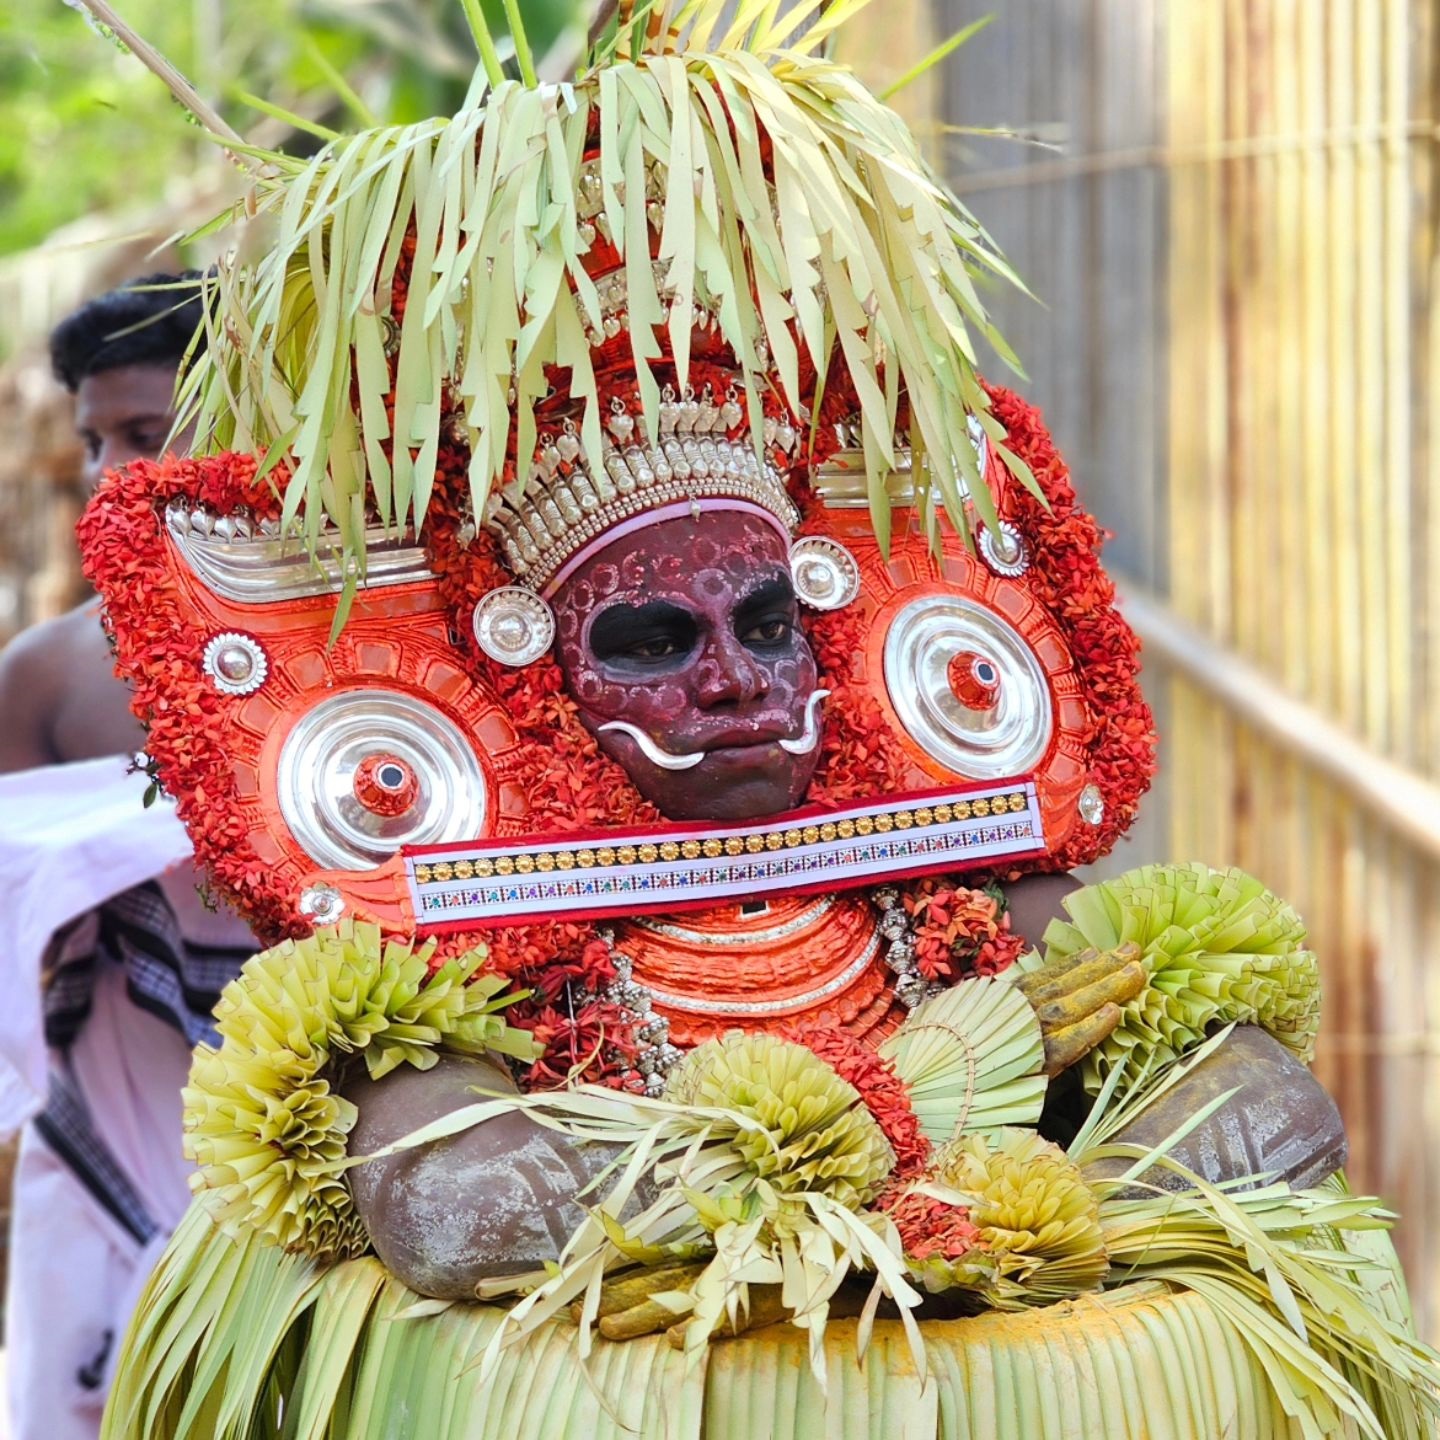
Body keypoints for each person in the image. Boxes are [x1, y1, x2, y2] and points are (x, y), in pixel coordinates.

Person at [75, 6, 1438, 1437]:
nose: (735, 680)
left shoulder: (946, 890)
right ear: (546, 677)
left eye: (769, 624)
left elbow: (1271, 1105)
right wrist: (901, 1119)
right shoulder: (457, 956)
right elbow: (462, 1209)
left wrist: (1032, 1207)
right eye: (655, 641)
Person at [0, 274, 254, 1440]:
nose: (110, 469)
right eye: (96, 438)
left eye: (144, 434)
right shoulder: (48, 677)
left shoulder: (363, 651)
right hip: (100, 1132)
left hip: (301, 1150)